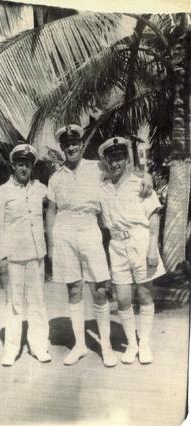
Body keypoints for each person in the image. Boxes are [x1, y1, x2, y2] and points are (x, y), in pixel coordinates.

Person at [46, 124, 153, 367]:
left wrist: (145, 174)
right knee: (73, 289)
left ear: (81, 145)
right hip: (63, 230)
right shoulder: (55, 177)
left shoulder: (97, 167)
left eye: (75, 143)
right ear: (62, 148)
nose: (71, 147)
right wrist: (51, 245)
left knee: (100, 289)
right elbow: (51, 211)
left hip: (89, 228)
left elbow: (124, 170)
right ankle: (80, 345)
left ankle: (105, 346)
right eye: (66, 144)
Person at [98, 137, 165, 364]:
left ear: (127, 159)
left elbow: (154, 215)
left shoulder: (140, 184)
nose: (115, 163)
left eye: (119, 158)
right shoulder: (102, 187)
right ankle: (132, 344)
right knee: (123, 298)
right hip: (116, 246)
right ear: (106, 161)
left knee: (145, 293)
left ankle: (144, 343)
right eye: (111, 159)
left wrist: (153, 249)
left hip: (140, 241)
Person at [0, 144, 51, 366]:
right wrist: (1, 258)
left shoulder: (40, 189)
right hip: (13, 256)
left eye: (28, 164)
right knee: (14, 303)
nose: (24, 168)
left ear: (32, 167)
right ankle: (11, 349)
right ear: (12, 166)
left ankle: (39, 346)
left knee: (37, 302)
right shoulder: (1, 193)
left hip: (36, 254)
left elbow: (59, 197)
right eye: (20, 164)